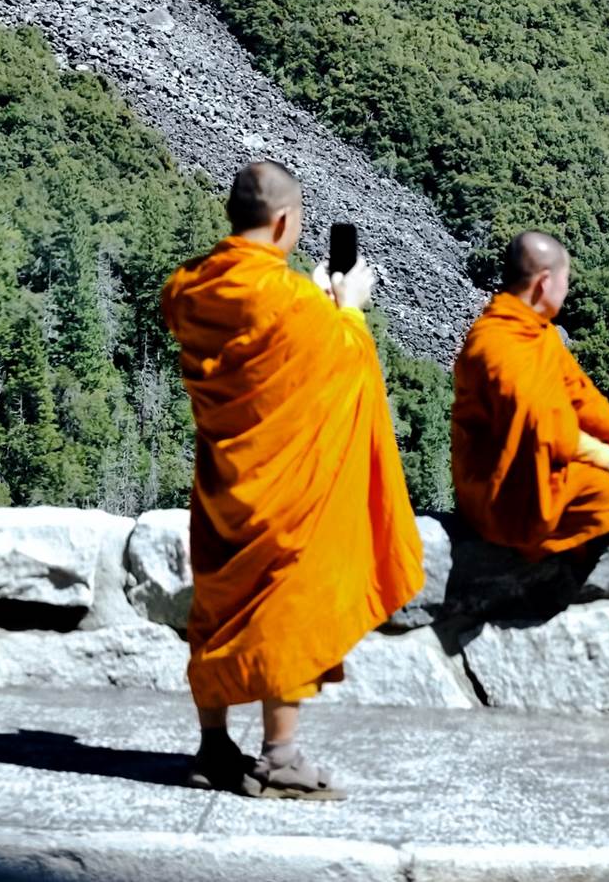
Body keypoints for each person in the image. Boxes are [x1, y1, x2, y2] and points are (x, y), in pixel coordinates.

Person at [160, 161, 423, 801]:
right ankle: (279, 757)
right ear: (284, 221)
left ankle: (213, 749)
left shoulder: (188, 288)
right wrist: (349, 309)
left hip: (225, 475)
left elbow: (257, 337)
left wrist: (315, 303)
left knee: (219, 606)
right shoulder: (297, 305)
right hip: (284, 487)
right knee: (286, 602)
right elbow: (347, 360)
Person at [450, 230, 609, 562]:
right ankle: (603, 530)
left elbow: (582, 400)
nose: (567, 289)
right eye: (565, 280)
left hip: (541, 460)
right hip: (499, 488)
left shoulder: (538, 331)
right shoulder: (496, 344)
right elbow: (537, 426)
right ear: (544, 283)